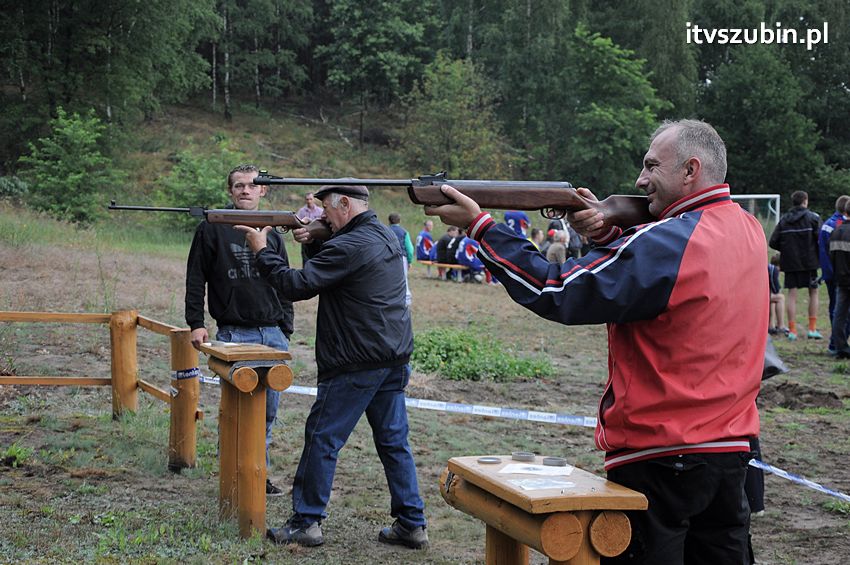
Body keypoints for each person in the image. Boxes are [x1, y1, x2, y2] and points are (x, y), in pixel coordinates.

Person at [424, 119, 765, 565]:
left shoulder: (668, 240)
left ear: (690, 170)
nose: (641, 180)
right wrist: (608, 236)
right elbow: (665, 285)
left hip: (661, 457)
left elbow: (557, 290)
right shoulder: (747, 229)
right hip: (731, 454)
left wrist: (482, 228)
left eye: (651, 166)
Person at [236, 184, 428, 550]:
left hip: (357, 360)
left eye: (326, 210)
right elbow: (333, 271)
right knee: (393, 442)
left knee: (322, 438)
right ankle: (411, 523)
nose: (323, 216)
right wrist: (312, 240)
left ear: (345, 204)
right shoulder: (382, 235)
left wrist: (262, 251)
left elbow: (297, 284)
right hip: (391, 356)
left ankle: (306, 522)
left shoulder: (349, 244)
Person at [184, 163, 293, 497]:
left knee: (268, 412)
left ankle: (259, 473)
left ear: (263, 191)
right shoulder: (211, 229)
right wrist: (197, 324)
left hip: (272, 333)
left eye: (251, 185)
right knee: (234, 410)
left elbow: (286, 279)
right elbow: (195, 277)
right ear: (230, 192)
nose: (245, 190)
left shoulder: (275, 229)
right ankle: (232, 471)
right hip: (234, 332)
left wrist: (285, 326)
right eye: (238, 186)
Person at [769, 190, 822, 341]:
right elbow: (820, 239)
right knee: (813, 292)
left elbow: (773, 241)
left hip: (790, 263)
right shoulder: (813, 218)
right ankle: (812, 329)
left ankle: (792, 331)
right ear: (805, 201)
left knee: (792, 294)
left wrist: (787, 250)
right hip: (810, 262)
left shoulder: (784, 220)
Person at [819, 195, 850, 352]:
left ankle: (836, 345)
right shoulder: (837, 228)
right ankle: (838, 344)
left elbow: (827, 253)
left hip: (837, 276)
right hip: (839, 276)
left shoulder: (831, 227)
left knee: (838, 311)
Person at [828, 198, 850, 358]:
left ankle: (840, 347)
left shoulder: (836, 231)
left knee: (839, 314)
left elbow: (832, 257)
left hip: (841, 279)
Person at [388, 213, 414, 305]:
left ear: (389, 221)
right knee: (403, 278)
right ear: (400, 221)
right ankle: (406, 300)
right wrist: (410, 261)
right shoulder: (404, 232)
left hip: (387, 256)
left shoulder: (385, 231)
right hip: (401, 257)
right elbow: (409, 249)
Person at [297, 192, 326, 265]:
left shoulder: (320, 211)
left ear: (314, 200)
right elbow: (296, 224)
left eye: (310, 199)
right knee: (305, 260)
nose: (309, 201)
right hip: (306, 240)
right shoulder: (301, 211)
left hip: (318, 241)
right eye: (307, 199)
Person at [768, 254, 787, 335]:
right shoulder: (773, 270)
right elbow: (776, 289)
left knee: (773, 299)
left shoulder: (769, 268)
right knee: (780, 298)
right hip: (758, 296)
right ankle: (781, 325)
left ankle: (771, 325)